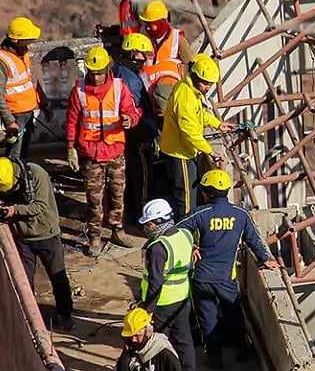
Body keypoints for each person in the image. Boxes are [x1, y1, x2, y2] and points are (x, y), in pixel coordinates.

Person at [176, 169, 280, 370]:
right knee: (233, 312)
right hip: (226, 278)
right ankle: (241, 347)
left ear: (207, 193)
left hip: (202, 278)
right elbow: (254, 240)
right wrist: (266, 259)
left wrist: (191, 244)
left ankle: (214, 357)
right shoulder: (240, 215)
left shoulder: (200, 214)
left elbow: (177, 230)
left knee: (207, 317)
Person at [65, 46, 143, 257]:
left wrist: (130, 119)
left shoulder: (119, 88)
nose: (97, 77)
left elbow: (133, 111)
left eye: (100, 72)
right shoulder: (79, 91)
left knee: (118, 195)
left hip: (115, 152)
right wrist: (70, 148)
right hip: (91, 155)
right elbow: (72, 120)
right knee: (94, 199)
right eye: (93, 72)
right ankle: (95, 236)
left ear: (107, 69)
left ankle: (117, 229)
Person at [0, 156, 74, 331]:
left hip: (47, 235)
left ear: (15, 175)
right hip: (23, 238)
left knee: (58, 278)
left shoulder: (36, 174)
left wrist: (13, 210)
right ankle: (29, 318)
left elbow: (40, 206)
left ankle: (65, 315)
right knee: (24, 281)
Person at [158, 55, 233, 218]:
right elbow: (189, 131)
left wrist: (217, 124)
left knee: (189, 194)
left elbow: (200, 114)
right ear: (196, 77)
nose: (208, 88)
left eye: (211, 84)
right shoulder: (185, 97)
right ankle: (185, 231)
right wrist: (210, 151)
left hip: (185, 150)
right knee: (185, 198)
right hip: (180, 153)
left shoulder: (192, 90)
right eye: (206, 83)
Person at [137, 199, 197, 371]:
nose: (147, 228)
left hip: (162, 304)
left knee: (159, 345)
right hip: (183, 299)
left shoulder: (157, 248)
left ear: (159, 222)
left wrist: (147, 309)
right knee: (184, 342)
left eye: (149, 224)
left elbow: (155, 283)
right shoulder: (185, 235)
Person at [0, 17, 52, 162]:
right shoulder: (1, 62)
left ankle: (21, 177)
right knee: (14, 156)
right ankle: (12, 181)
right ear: (16, 41)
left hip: (27, 113)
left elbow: (31, 82)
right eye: (28, 42)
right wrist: (10, 121)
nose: (31, 46)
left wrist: (44, 104)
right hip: (15, 116)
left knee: (23, 153)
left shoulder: (23, 55)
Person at [113, 36, 160, 226]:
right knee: (141, 178)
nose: (145, 59)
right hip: (137, 136)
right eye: (143, 55)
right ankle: (140, 216)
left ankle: (130, 214)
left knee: (132, 177)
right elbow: (135, 111)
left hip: (128, 136)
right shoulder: (129, 80)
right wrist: (147, 134)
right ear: (133, 54)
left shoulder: (121, 71)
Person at [139, 0, 191, 65]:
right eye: (146, 23)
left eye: (151, 24)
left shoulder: (178, 39)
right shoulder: (141, 36)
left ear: (162, 23)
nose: (147, 28)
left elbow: (189, 64)